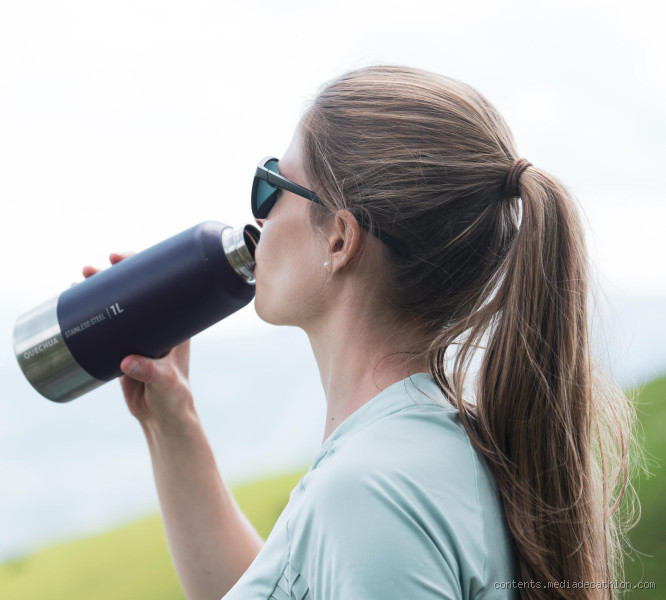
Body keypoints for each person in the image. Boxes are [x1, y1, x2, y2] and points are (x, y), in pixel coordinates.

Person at [85, 66, 638, 599]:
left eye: (271, 185)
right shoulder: (427, 449)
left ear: (340, 240)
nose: (259, 218)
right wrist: (170, 419)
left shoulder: (371, 490)